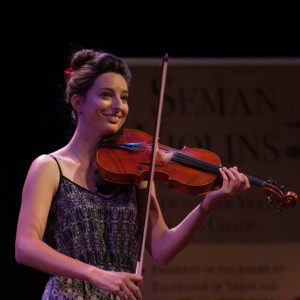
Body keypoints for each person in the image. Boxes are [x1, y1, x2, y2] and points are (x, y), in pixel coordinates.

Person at [15, 49, 250, 300]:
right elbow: (25, 247)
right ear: (78, 102)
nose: (118, 106)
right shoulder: (49, 167)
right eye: (106, 95)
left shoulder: (135, 171)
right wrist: (94, 273)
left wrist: (207, 204)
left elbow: (162, 249)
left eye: (124, 97)